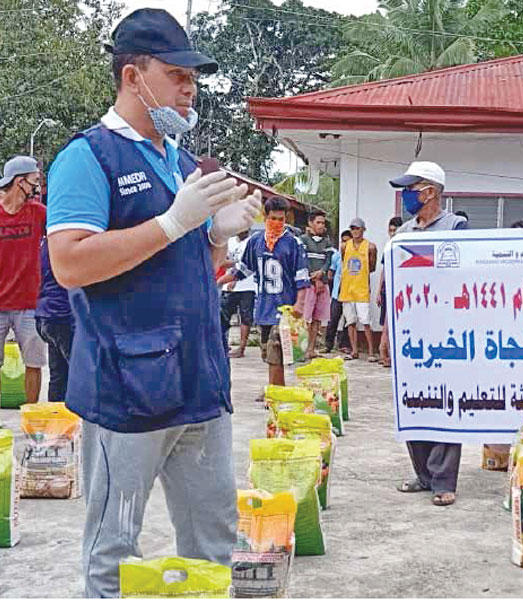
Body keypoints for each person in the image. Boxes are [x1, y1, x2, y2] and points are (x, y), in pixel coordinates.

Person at [45, 9, 261, 596]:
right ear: (132, 76)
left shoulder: (182, 162)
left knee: (214, 542)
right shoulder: (88, 158)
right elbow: (69, 263)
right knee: (114, 551)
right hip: (128, 389)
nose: (190, 89)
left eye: (193, 78)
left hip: (199, 383)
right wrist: (171, 222)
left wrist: (216, 237)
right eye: (176, 74)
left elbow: (189, 273)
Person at [389, 160, 467, 507]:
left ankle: (444, 480)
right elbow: (393, 285)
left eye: (411, 188)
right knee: (414, 402)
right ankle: (423, 473)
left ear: (430, 191)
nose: (406, 195)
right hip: (412, 330)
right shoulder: (404, 233)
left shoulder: (456, 227)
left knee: (447, 403)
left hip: (447, 330)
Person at [234, 197, 310, 387]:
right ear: (265, 217)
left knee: (276, 352)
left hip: (285, 308)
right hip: (264, 307)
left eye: (281, 219)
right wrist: (225, 279)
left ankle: (275, 391)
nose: (277, 222)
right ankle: (276, 386)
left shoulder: (294, 244)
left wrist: (300, 304)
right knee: (267, 353)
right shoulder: (256, 241)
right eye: (273, 218)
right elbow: (245, 268)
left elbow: (302, 277)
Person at [0, 155, 47, 404]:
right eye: (34, 180)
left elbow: (62, 235)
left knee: (34, 363)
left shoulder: (39, 213)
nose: (37, 186)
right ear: (20, 182)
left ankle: (31, 417)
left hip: (30, 304)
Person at [35, 236, 74, 402]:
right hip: (63, 315)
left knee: (59, 376)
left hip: (45, 315)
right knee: (80, 373)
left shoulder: (45, 243)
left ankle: (56, 423)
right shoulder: (65, 244)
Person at [339, 217, 377, 361]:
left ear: (363, 230)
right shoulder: (344, 246)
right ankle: (354, 350)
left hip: (361, 289)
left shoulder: (370, 247)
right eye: (352, 228)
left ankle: (371, 352)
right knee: (350, 322)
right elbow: (344, 262)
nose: (355, 231)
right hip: (347, 289)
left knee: (366, 321)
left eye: (357, 228)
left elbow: (372, 267)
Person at [300, 210, 333, 360]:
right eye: (318, 222)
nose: (321, 225)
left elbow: (328, 260)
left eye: (323, 223)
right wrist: (314, 277)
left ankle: (312, 348)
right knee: (305, 318)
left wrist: (322, 273)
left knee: (317, 319)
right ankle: (302, 349)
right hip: (308, 284)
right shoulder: (303, 240)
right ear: (310, 223)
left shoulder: (327, 242)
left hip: (322, 283)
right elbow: (303, 261)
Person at [219, 230, 258, 358]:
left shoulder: (252, 242)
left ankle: (241, 348)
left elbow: (250, 265)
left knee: (245, 318)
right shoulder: (229, 242)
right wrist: (238, 263)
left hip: (247, 285)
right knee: (223, 317)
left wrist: (236, 275)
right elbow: (222, 261)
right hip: (228, 284)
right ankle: (223, 345)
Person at [377, 216, 403, 367]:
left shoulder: (401, 247)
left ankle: (387, 352)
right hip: (388, 289)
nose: (392, 233)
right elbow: (384, 270)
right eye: (390, 230)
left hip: (398, 289)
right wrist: (379, 290)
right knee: (386, 323)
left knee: (392, 322)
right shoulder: (389, 248)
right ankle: (384, 352)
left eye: (395, 230)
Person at [324, 230, 353, 354]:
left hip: (350, 292)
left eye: (347, 242)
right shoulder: (336, 256)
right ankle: (328, 344)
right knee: (333, 318)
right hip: (337, 292)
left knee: (348, 320)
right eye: (343, 241)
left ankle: (344, 344)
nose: (344, 245)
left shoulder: (355, 256)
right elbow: (331, 272)